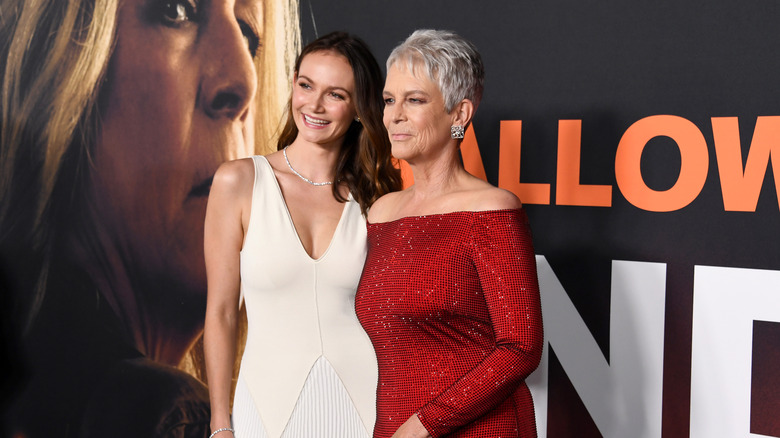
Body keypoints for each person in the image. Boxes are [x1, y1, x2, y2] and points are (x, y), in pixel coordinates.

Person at [0, 0, 298, 436]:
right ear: (53, 57)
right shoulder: (168, 418)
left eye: (248, 33)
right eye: (177, 10)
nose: (245, 81)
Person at [203, 31, 402, 438]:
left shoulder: (378, 197)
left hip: (364, 405)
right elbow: (221, 313)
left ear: (360, 109)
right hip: (264, 406)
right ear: (292, 83)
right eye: (306, 85)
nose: (314, 105)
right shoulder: (238, 181)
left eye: (335, 94)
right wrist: (220, 423)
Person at [355, 29, 544, 438]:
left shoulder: (491, 210)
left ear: (459, 114)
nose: (394, 115)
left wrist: (424, 424)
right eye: (389, 100)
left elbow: (521, 347)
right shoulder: (381, 213)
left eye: (415, 100)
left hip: (480, 430)